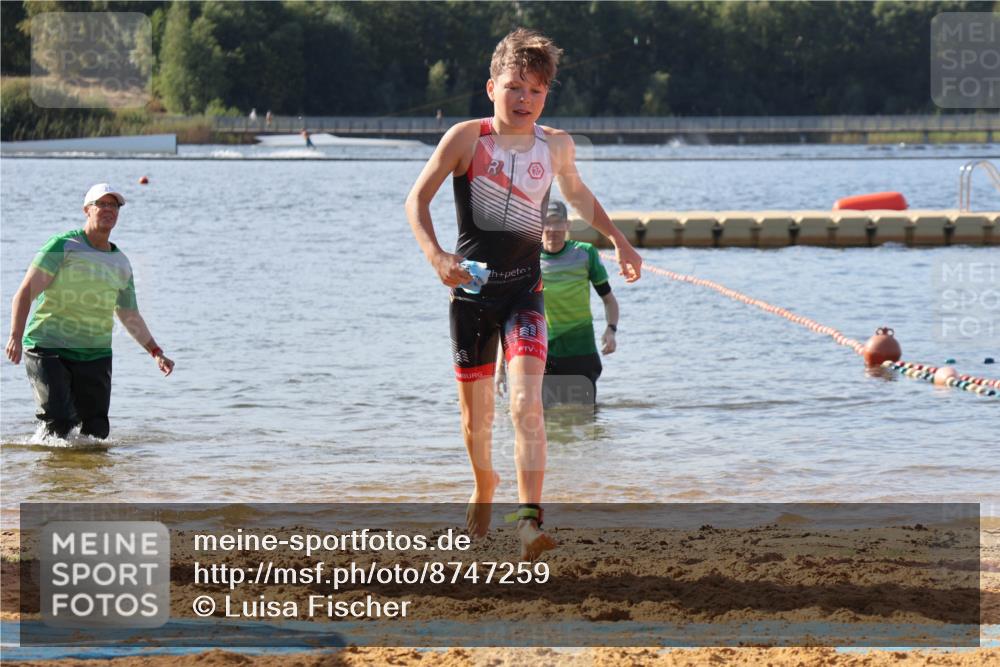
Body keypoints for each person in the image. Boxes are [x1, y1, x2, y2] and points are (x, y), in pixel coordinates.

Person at [404, 28, 642, 560]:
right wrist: (437, 257)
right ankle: (484, 482)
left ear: (546, 96)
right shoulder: (466, 140)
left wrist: (621, 242)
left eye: (535, 91)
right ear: (492, 87)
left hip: (524, 293)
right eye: (514, 87)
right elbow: (415, 201)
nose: (524, 100)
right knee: (476, 419)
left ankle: (529, 522)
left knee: (526, 407)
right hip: (471, 297)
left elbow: (579, 197)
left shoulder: (555, 146)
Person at [5, 183, 174, 440]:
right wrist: (15, 335)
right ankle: (53, 476)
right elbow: (25, 293)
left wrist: (156, 351)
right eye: (101, 204)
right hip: (48, 347)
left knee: (95, 433)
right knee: (59, 424)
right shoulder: (63, 246)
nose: (109, 210)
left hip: (95, 352)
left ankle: (90, 480)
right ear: (87, 210)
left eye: (114, 205)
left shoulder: (121, 262)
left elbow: (129, 315)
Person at [497, 200, 619, 406]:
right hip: (543, 352)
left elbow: (609, 300)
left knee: (585, 418)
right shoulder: (527, 260)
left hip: (581, 350)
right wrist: (500, 368)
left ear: (567, 225)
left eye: (557, 223)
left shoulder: (585, 253)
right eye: (546, 222)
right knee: (542, 419)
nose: (552, 229)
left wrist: (611, 329)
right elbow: (511, 317)